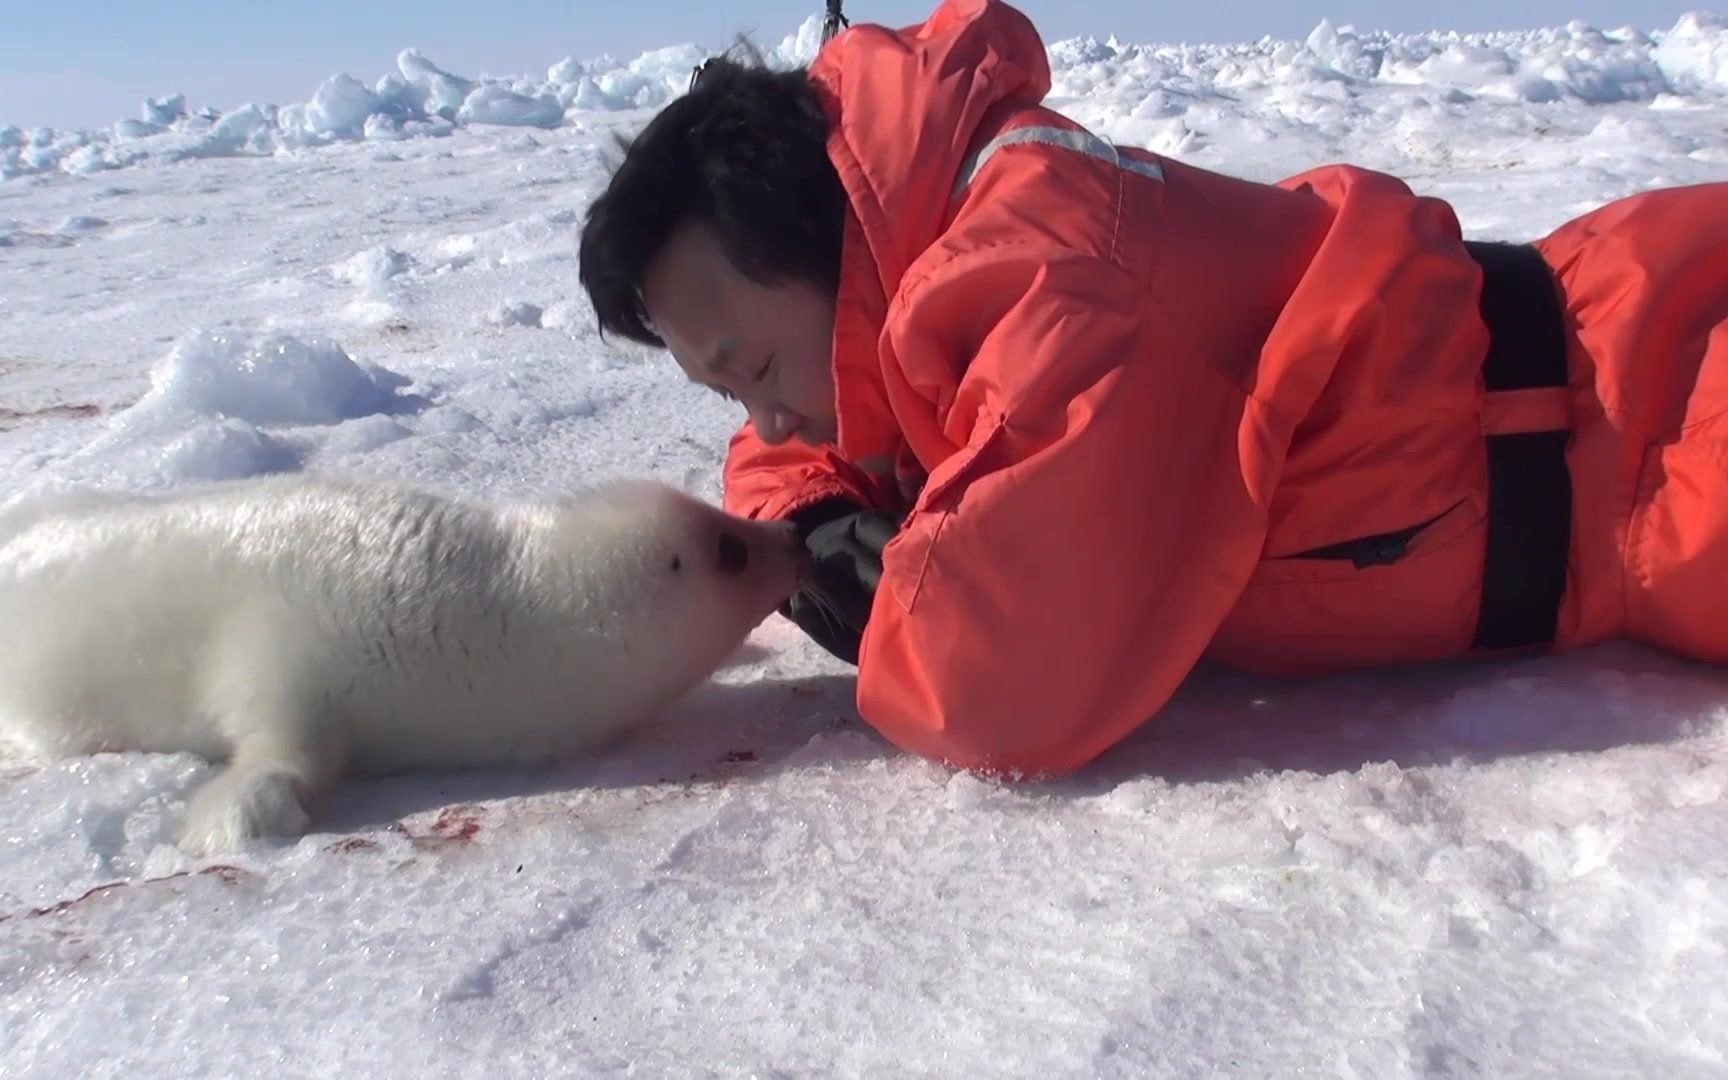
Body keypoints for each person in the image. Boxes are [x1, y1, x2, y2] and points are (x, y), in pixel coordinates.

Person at [577, 0, 1728, 778]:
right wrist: (808, 523)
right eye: (726, 390)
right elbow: (803, 445)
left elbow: (1000, 685)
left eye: (758, 371)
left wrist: (857, 585)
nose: (765, 421)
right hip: (1621, 357)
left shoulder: (1049, 285)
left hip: (1667, 431)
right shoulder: (932, 256)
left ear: (833, 245)